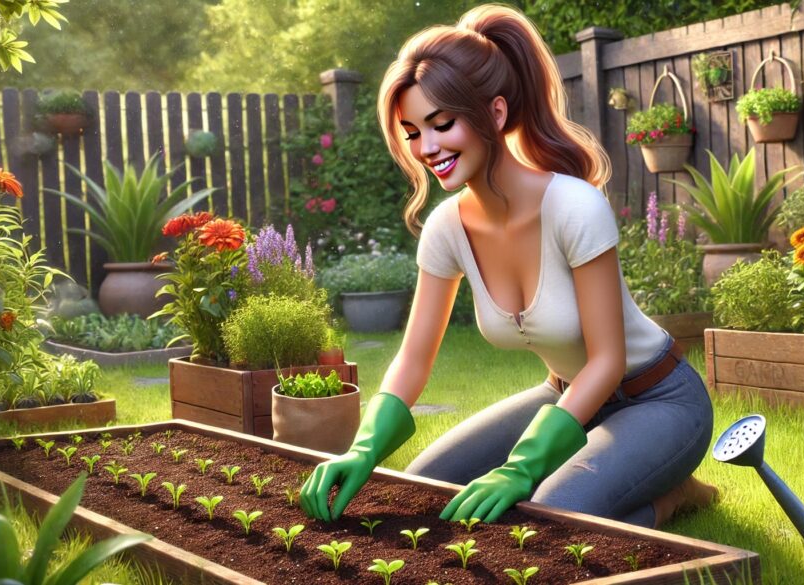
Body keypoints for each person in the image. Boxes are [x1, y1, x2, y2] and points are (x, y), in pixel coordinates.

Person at [301, 4, 717, 529]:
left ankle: (672, 497)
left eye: (441, 124)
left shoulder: (572, 206)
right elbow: (413, 358)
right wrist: (362, 450)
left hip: (658, 400)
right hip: (564, 395)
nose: (427, 148)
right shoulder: (447, 227)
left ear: (495, 115)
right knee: (426, 491)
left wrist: (522, 468)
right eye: (412, 132)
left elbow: (608, 360)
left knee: (548, 514)